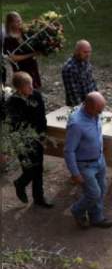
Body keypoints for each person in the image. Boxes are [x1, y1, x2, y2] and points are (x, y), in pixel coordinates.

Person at [64, 92, 112, 229]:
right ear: (89, 107)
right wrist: (75, 173)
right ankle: (77, 210)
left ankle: (96, 218)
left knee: (102, 190)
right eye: (99, 110)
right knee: (93, 193)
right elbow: (69, 151)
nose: (101, 113)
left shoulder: (94, 114)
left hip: (99, 160)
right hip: (85, 165)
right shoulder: (76, 124)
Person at [7, 72, 52, 208]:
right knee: (29, 169)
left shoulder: (36, 95)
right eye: (28, 87)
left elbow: (42, 117)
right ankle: (20, 183)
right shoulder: (12, 103)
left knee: (38, 168)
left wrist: (43, 135)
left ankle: (39, 198)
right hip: (22, 141)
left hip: (38, 137)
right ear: (19, 89)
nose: (32, 89)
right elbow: (16, 125)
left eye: (31, 85)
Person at [2, 12, 41, 90]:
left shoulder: (25, 32)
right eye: (17, 21)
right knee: (25, 88)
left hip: (32, 65)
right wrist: (31, 54)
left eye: (20, 20)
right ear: (11, 24)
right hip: (21, 68)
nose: (20, 23)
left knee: (35, 87)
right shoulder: (8, 39)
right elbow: (12, 58)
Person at [62, 40, 98, 107]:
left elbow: (92, 82)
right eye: (85, 52)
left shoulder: (85, 61)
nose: (88, 54)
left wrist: (97, 98)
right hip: (79, 106)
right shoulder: (69, 68)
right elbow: (73, 94)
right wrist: (83, 110)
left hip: (91, 102)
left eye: (89, 52)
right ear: (76, 52)